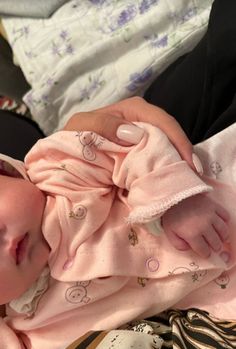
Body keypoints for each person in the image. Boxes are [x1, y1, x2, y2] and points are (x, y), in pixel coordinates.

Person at [0, 97, 235, 349]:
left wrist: (178, 200)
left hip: (215, 191)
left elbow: (132, 144)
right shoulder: (35, 327)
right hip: (216, 298)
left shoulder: (56, 171)